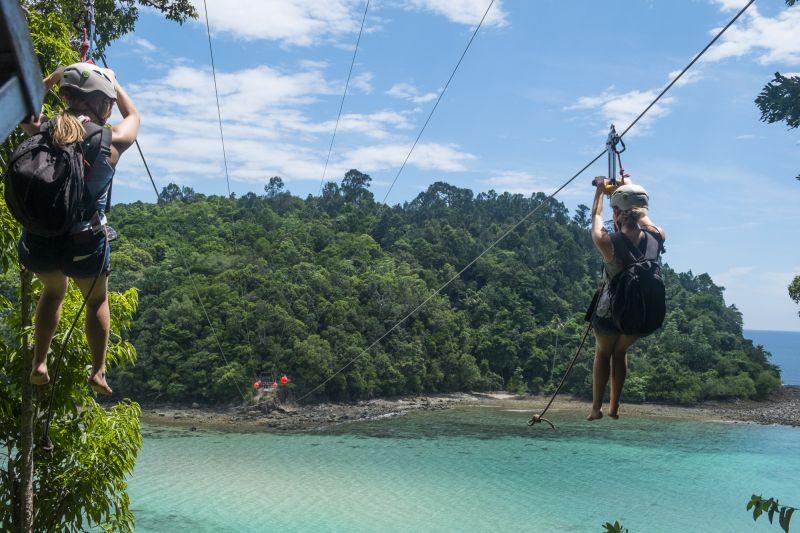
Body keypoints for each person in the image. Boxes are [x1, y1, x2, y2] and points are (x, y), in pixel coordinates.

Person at [20, 62, 140, 395]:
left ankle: (39, 363)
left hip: (39, 243)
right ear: (103, 103)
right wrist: (114, 83)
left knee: (53, 292)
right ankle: (98, 371)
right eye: (109, 102)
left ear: (68, 95)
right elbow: (135, 119)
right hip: (86, 243)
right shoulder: (110, 141)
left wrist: (55, 76)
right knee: (96, 300)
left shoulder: (44, 129)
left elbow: (25, 108)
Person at [587, 178, 666, 420]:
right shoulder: (657, 236)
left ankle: (596, 409)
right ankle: (614, 408)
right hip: (640, 315)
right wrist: (628, 183)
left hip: (610, 313)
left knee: (603, 354)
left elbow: (595, 215)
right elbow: (642, 217)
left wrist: (601, 190)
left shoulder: (607, 242)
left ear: (619, 213)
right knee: (620, 354)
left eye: (616, 210)